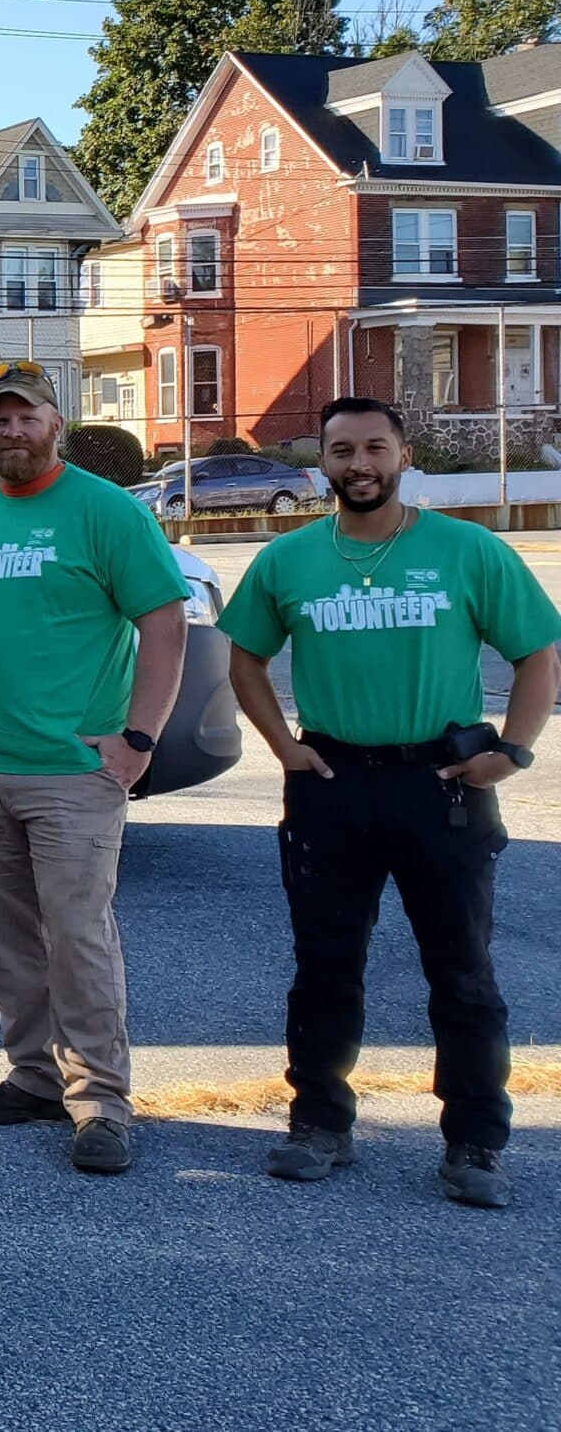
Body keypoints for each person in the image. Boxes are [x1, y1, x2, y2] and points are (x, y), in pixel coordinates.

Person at [223, 397, 558, 1209]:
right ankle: (319, 1123)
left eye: (375, 447)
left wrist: (510, 752)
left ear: (406, 456)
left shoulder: (467, 550)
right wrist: (284, 746)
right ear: (323, 467)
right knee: (326, 967)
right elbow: (246, 660)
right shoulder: (289, 560)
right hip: (332, 783)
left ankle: (475, 1141)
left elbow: (538, 652)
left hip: (438, 786)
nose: (359, 464)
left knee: (463, 972)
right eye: (342, 451)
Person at [0, 360, 189, 1175]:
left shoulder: (105, 513)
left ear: (56, 425)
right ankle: (35, 1076)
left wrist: (137, 739)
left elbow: (165, 620)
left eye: (26, 416)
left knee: (77, 937)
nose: (11, 430)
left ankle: (102, 1101)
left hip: (73, 773)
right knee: (4, 933)